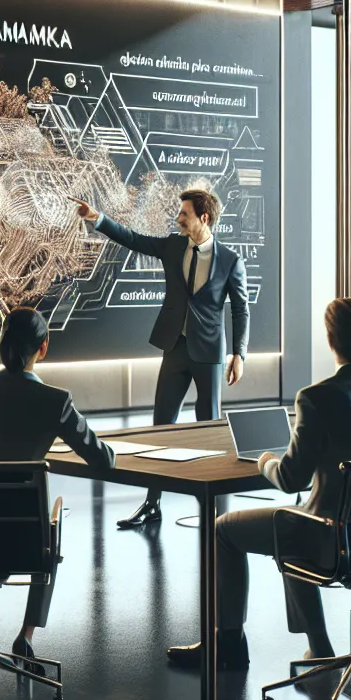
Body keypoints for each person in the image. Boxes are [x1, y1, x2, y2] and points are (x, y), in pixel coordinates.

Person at [166, 298, 351, 670]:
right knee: (342, 520)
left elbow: (292, 479)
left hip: (331, 538)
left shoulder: (317, 398)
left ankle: (241, 644)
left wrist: (266, 461)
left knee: (228, 529)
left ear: (330, 338)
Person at [0, 306, 116, 667]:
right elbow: (103, 460)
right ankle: (26, 634)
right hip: (24, 542)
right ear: (44, 347)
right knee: (52, 519)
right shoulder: (55, 401)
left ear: (1, 345)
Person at [74, 189, 249, 529]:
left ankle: (210, 506)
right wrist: (98, 219)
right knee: (160, 426)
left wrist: (239, 354)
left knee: (207, 427)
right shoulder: (172, 246)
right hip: (175, 347)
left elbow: (241, 310)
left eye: (185, 213)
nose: (178, 217)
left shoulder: (230, 260)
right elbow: (134, 239)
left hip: (209, 353)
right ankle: (152, 503)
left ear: (204, 218)